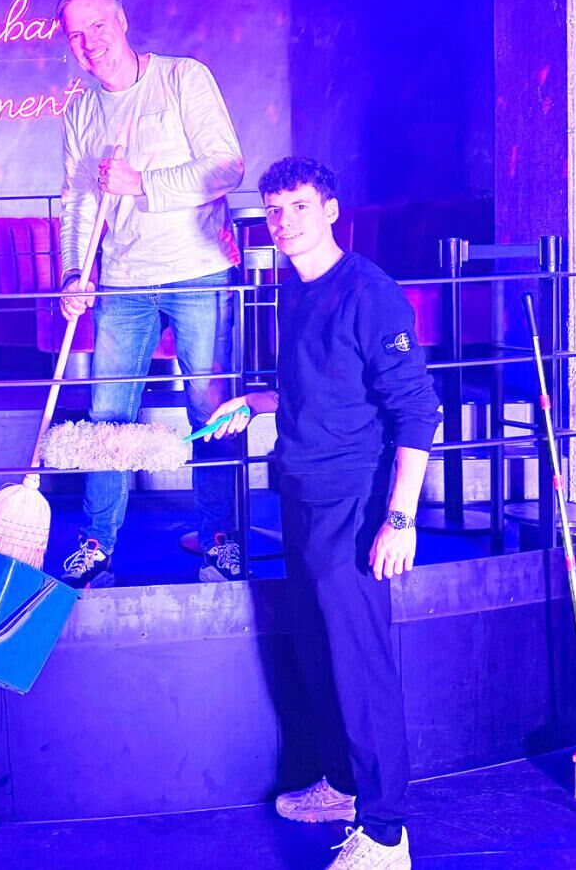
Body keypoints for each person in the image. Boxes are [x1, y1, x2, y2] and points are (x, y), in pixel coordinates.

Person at [205, 157, 440, 869]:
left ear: (331, 210)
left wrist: (400, 517)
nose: (285, 222)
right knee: (318, 652)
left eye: (300, 206)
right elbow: (313, 390)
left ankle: (387, 833)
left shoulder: (370, 293)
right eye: (275, 210)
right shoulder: (294, 292)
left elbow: (417, 410)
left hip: (355, 506)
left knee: (362, 669)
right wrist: (253, 402)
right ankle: (341, 786)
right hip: (300, 495)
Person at [56, 0, 246, 589]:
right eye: (76, 35)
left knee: (211, 411)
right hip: (123, 281)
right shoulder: (81, 111)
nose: (90, 43)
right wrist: (74, 270)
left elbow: (227, 167)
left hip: (199, 270)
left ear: (122, 21)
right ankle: (96, 545)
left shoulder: (183, 78)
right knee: (108, 415)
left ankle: (221, 538)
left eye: (98, 26)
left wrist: (143, 184)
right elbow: (79, 201)